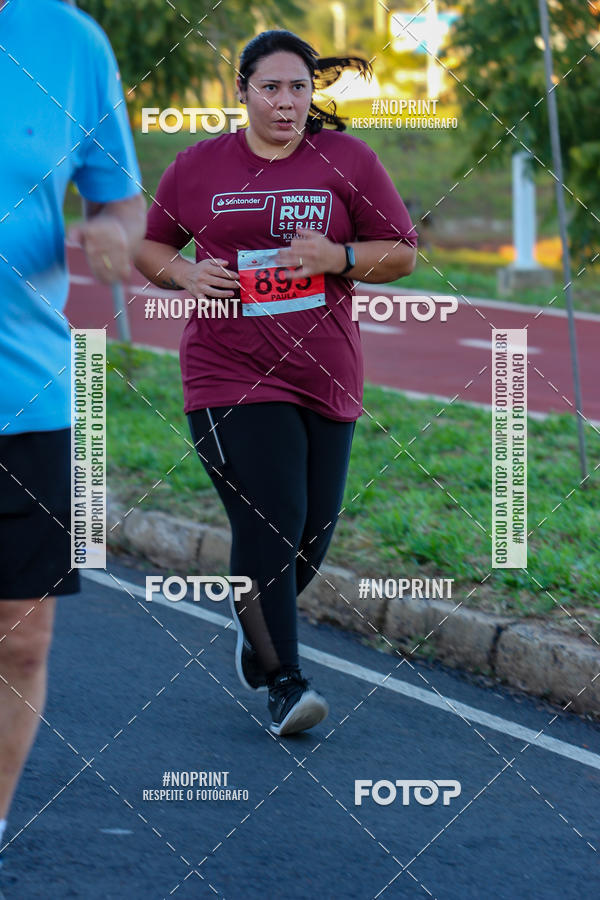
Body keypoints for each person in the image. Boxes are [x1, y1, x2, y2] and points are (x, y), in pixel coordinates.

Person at [135, 29, 417, 737]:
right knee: (273, 516)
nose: (287, 102)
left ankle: (255, 621)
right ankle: (286, 684)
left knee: (310, 538)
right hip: (227, 371)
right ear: (242, 92)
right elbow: (151, 245)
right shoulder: (199, 167)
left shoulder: (347, 161)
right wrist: (187, 274)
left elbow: (403, 254)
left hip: (324, 373)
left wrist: (338, 254)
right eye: (272, 88)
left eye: (299, 88)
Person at [0, 0, 145, 885]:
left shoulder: (70, 40)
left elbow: (121, 201)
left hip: (31, 396)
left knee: (21, 641)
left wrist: (113, 238)